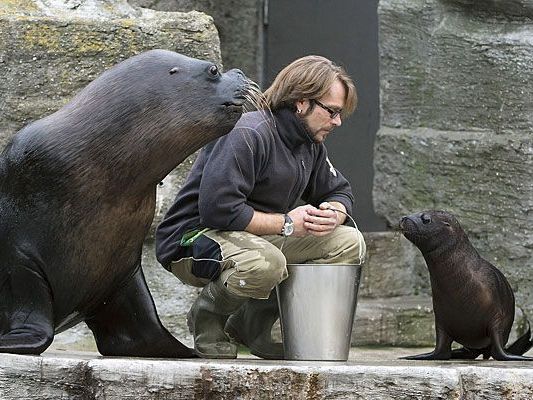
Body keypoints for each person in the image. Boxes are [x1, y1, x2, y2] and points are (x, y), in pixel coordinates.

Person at [155, 55, 367, 359]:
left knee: (349, 243)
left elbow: (338, 189)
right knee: (266, 262)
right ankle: (207, 319)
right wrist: (287, 224)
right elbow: (218, 210)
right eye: (332, 111)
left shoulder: (309, 144)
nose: (338, 121)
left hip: (253, 237)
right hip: (193, 238)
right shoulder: (248, 132)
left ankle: (251, 325)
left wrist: (334, 211)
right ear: (301, 103)